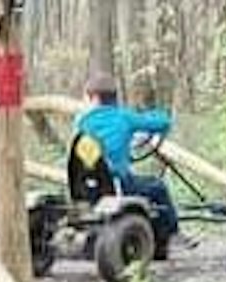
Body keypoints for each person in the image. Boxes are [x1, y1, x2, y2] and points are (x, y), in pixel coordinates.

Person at [74, 74, 194, 251]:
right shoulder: (124, 117)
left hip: (85, 185)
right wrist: (156, 114)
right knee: (157, 187)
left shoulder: (81, 122)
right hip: (117, 184)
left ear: (94, 98)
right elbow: (163, 123)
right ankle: (173, 234)